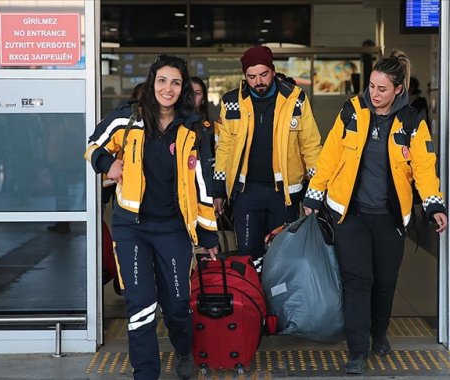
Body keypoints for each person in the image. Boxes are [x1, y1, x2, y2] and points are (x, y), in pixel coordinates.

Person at [302, 50, 448, 375]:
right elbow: (329, 155)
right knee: (357, 281)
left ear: (398, 89)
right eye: (371, 86)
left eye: (382, 89)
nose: (374, 94)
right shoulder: (352, 112)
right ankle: (357, 350)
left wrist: (434, 202)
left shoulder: (411, 122)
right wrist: (314, 194)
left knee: (385, 281)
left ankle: (379, 333)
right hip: (350, 215)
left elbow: (424, 167)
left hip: (389, 218)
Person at [85, 54, 219, 380]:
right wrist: (108, 164)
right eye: (162, 80)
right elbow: (93, 145)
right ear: (152, 82)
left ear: (183, 87)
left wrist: (208, 235)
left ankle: (184, 349)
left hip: (173, 228)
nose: (167, 88)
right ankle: (145, 373)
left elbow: (203, 184)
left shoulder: (195, 127)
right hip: (132, 227)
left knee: (176, 305)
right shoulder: (128, 119)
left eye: (175, 82)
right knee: (140, 303)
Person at [212, 45, 322, 265]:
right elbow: (224, 148)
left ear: (273, 71)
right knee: (248, 256)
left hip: (284, 194)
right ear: (245, 76)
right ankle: (253, 299)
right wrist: (218, 191)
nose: (258, 82)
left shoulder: (295, 99)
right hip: (246, 192)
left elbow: (310, 146)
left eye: (263, 74)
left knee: (282, 257)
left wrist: (315, 193)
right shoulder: (231, 102)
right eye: (251, 77)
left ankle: (277, 300)